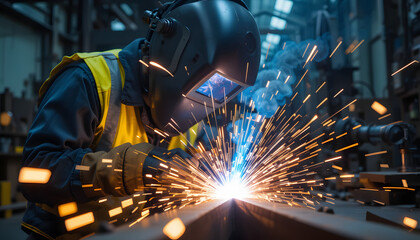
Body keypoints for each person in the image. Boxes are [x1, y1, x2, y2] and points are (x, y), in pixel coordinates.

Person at [19, 0, 260, 239]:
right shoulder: (89, 80)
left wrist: (214, 168)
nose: (209, 95)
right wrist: (136, 168)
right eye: (207, 84)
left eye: (221, 90)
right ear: (173, 52)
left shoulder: (193, 117)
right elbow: (35, 173)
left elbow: (207, 156)